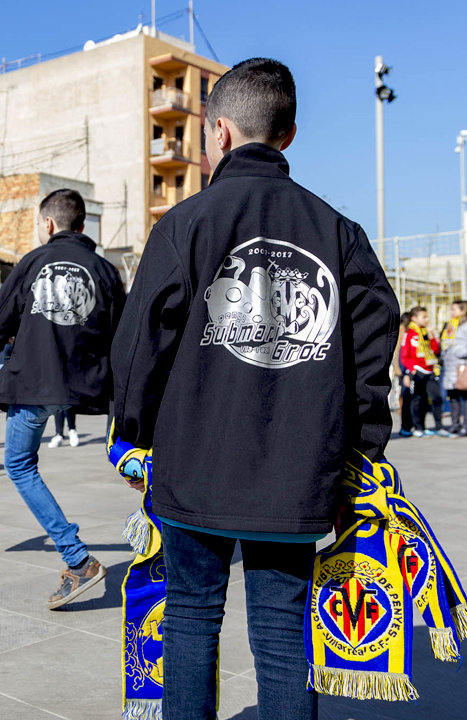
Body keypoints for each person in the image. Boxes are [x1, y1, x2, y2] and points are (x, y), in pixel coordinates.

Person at [109, 59, 398, 720]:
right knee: (281, 631)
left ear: (218, 134)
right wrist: (363, 443)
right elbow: (377, 334)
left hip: (195, 465)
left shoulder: (184, 225)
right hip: (297, 472)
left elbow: (138, 346)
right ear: (288, 135)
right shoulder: (338, 232)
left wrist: (135, 434)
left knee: (189, 617)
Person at [0, 187, 125, 608]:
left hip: (33, 384)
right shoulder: (106, 270)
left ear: (48, 224)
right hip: (80, 388)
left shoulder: (33, 262)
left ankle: (77, 560)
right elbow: (122, 340)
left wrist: (23, 331)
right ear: (82, 225)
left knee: (19, 464)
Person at [401, 306, 448, 436]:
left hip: (430, 369)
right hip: (418, 370)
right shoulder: (409, 334)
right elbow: (405, 355)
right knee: (418, 399)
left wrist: (432, 336)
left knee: (436, 398)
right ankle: (418, 427)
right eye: (424, 317)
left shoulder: (426, 332)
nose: (427, 319)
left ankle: (439, 426)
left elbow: (434, 350)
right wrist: (410, 370)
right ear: (415, 318)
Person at [441, 300, 467, 436]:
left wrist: (459, 352)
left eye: (455, 309)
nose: (452, 312)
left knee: (464, 397)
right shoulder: (451, 324)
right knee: (454, 398)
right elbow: (446, 341)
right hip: (450, 367)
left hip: (462, 367)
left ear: (463, 311)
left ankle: (465, 426)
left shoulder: (465, 325)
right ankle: (455, 424)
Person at [395, 311, 413, 436]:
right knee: (406, 397)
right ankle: (405, 426)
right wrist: (399, 369)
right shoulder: (403, 331)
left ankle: (407, 425)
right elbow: (398, 352)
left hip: (402, 368)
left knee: (407, 397)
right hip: (403, 368)